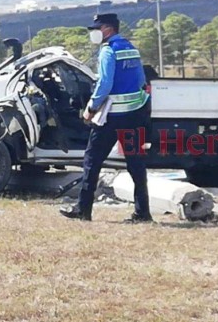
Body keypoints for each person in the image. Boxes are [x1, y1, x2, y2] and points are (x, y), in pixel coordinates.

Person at [60, 13, 152, 223]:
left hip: (111, 117)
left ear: (108, 29)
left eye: (97, 28)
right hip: (134, 114)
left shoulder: (108, 50)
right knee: (136, 164)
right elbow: (140, 80)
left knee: (92, 161)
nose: (95, 33)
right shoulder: (130, 48)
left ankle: (83, 209)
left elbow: (105, 84)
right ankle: (143, 212)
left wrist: (91, 108)